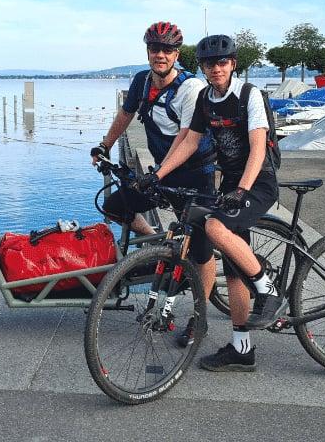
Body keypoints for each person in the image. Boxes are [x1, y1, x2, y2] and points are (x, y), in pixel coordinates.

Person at [138, 34, 285, 372]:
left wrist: (243, 189)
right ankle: (242, 350)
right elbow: (190, 140)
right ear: (202, 67)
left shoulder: (249, 95)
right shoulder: (205, 98)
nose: (216, 68)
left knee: (214, 227)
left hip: (257, 183)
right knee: (234, 273)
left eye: (222, 62)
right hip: (233, 185)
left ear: (233, 64)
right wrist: (159, 174)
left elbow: (258, 147)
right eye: (208, 63)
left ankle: (268, 290)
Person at [90, 20, 215, 243]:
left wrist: (158, 175)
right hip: (162, 172)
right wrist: (105, 145)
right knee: (114, 207)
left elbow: (186, 138)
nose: (160, 55)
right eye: (155, 49)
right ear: (148, 52)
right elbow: (126, 114)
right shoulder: (142, 81)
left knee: (197, 244)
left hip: (194, 174)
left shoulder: (191, 88)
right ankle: (158, 245)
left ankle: (203, 271)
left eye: (167, 50)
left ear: (176, 55)